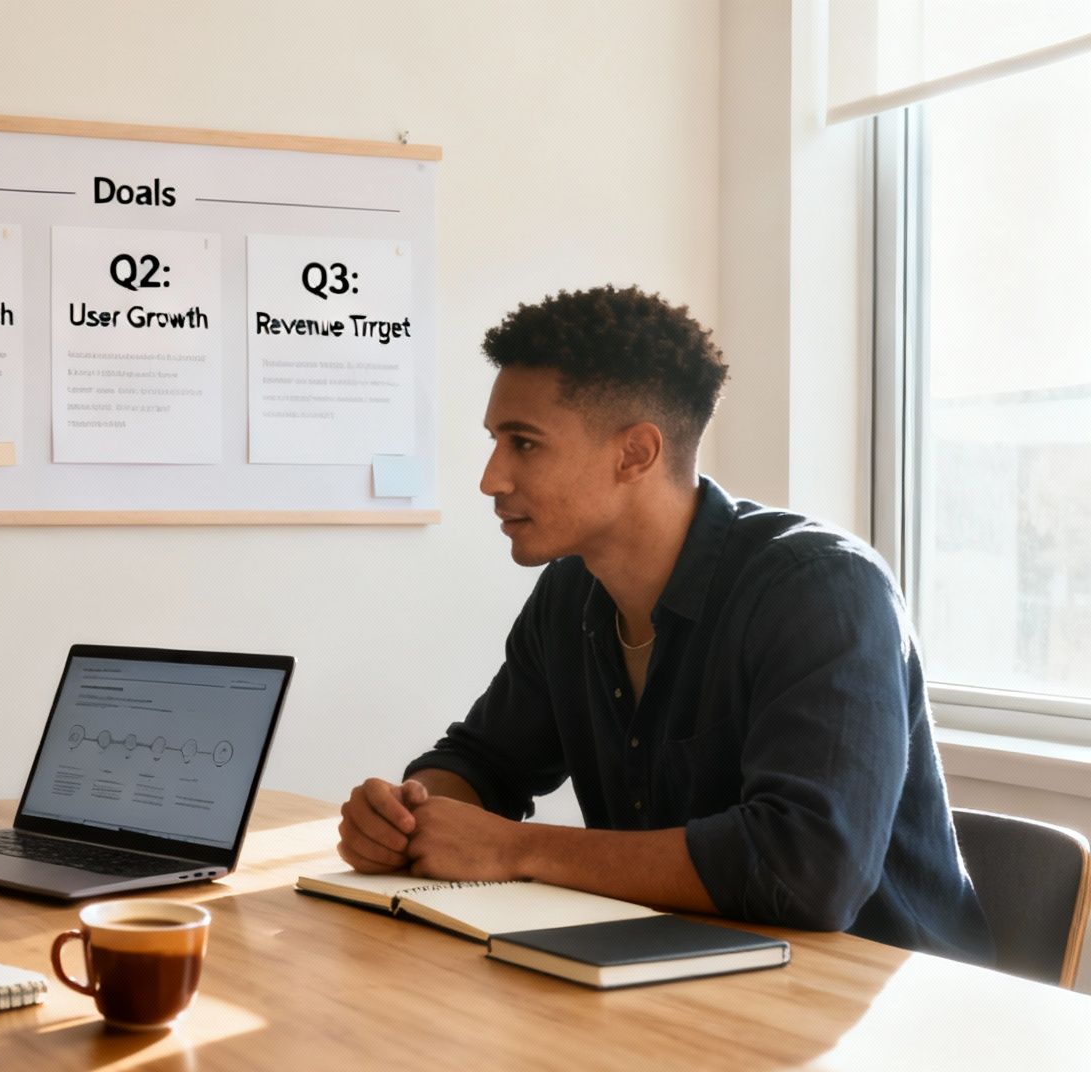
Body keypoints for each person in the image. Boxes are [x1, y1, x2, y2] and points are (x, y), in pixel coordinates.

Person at [336, 285, 990, 962]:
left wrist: (516, 848)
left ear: (636, 454)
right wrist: (410, 816)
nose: (491, 478)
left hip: (885, 1011)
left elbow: (807, 870)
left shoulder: (821, 588)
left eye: (523, 444)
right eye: (496, 441)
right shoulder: (571, 592)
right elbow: (483, 761)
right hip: (679, 972)